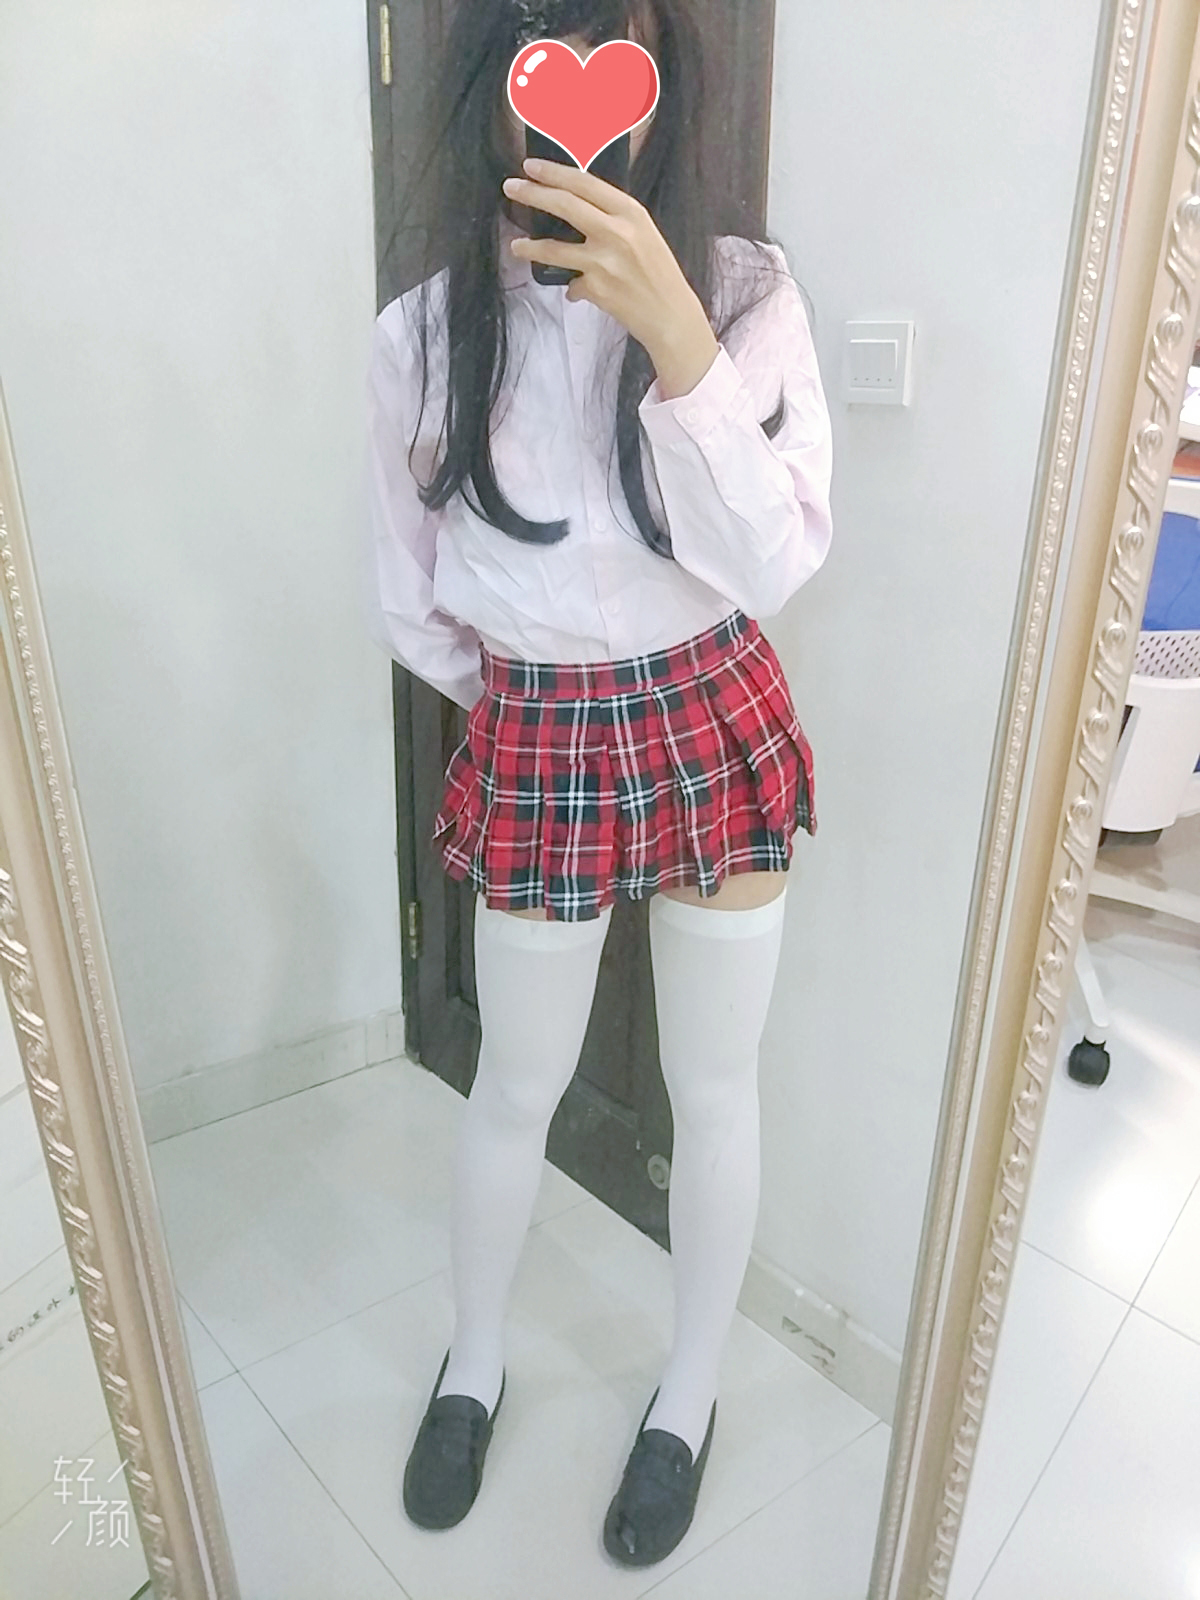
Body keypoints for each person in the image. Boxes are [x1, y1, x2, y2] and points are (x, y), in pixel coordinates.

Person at [364, 0, 833, 1568]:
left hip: (715, 708)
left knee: (713, 1087)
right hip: (539, 732)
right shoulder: (427, 335)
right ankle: (475, 1366)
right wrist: (536, 697)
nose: (578, 116)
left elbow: (777, 560)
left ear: (658, 83)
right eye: (541, 63)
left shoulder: (747, 299)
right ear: (493, 91)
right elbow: (410, 601)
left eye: (608, 62)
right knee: (516, 1082)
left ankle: (687, 1399)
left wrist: (679, 343)